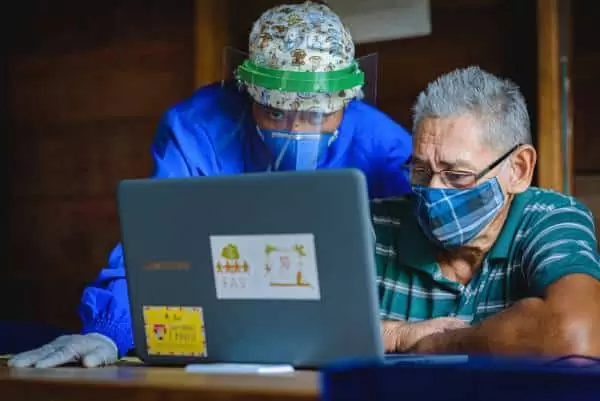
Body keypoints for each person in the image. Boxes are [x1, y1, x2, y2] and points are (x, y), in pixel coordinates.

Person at [8, 1, 412, 368]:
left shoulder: (384, 145)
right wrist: (109, 329)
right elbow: (156, 240)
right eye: (275, 112)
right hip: (223, 329)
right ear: (249, 94)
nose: (296, 130)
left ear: (346, 100)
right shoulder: (198, 128)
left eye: (316, 115)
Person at [376, 66, 600, 356]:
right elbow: (314, 328)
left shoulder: (552, 218)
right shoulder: (371, 225)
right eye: (421, 171)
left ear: (518, 170)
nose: (433, 191)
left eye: (456, 175)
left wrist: (437, 343)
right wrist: (398, 335)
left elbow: (578, 332)